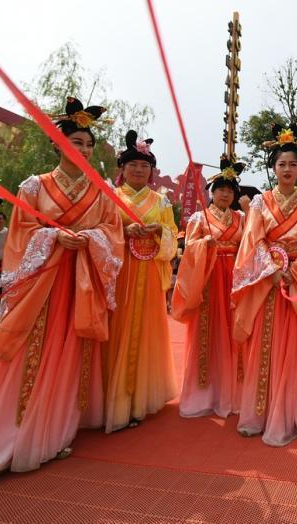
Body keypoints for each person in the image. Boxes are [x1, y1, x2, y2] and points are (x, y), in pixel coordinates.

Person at [0, 97, 123, 496]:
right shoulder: (34, 186)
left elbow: (112, 233)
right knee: (29, 355)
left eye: (87, 144)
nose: (82, 149)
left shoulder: (102, 192)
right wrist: (53, 237)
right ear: (57, 143)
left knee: (72, 352)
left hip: (81, 281)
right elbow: (20, 234)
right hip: (43, 282)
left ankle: (56, 431)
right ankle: (6, 443)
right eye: (74, 142)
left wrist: (91, 238)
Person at [231, 123, 297, 446]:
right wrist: (272, 271)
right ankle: (260, 412)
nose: (287, 169)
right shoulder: (259, 204)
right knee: (265, 344)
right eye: (281, 164)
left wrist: (294, 272)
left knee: (295, 345)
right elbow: (253, 240)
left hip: (296, 282)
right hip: (267, 283)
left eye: (293, 164)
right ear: (273, 168)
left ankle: (296, 410)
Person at [104, 131, 178, 433]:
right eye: (133, 165)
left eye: (144, 166)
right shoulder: (109, 197)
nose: (138, 170)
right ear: (122, 168)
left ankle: (139, 399)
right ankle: (112, 398)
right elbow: (100, 230)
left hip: (148, 274)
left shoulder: (161, 201)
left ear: (151, 171)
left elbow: (174, 234)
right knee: (116, 328)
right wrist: (123, 232)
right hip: (119, 272)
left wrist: (159, 231)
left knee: (146, 330)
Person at [172, 156, 247, 418]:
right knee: (208, 330)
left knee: (233, 330)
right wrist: (204, 244)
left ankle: (234, 392)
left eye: (230, 190)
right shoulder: (199, 218)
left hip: (234, 278)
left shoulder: (241, 218)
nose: (225, 194)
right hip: (208, 278)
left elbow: (248, 247)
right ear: (212, 193)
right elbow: (188, 248)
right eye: (221, 189)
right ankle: (204, 393)